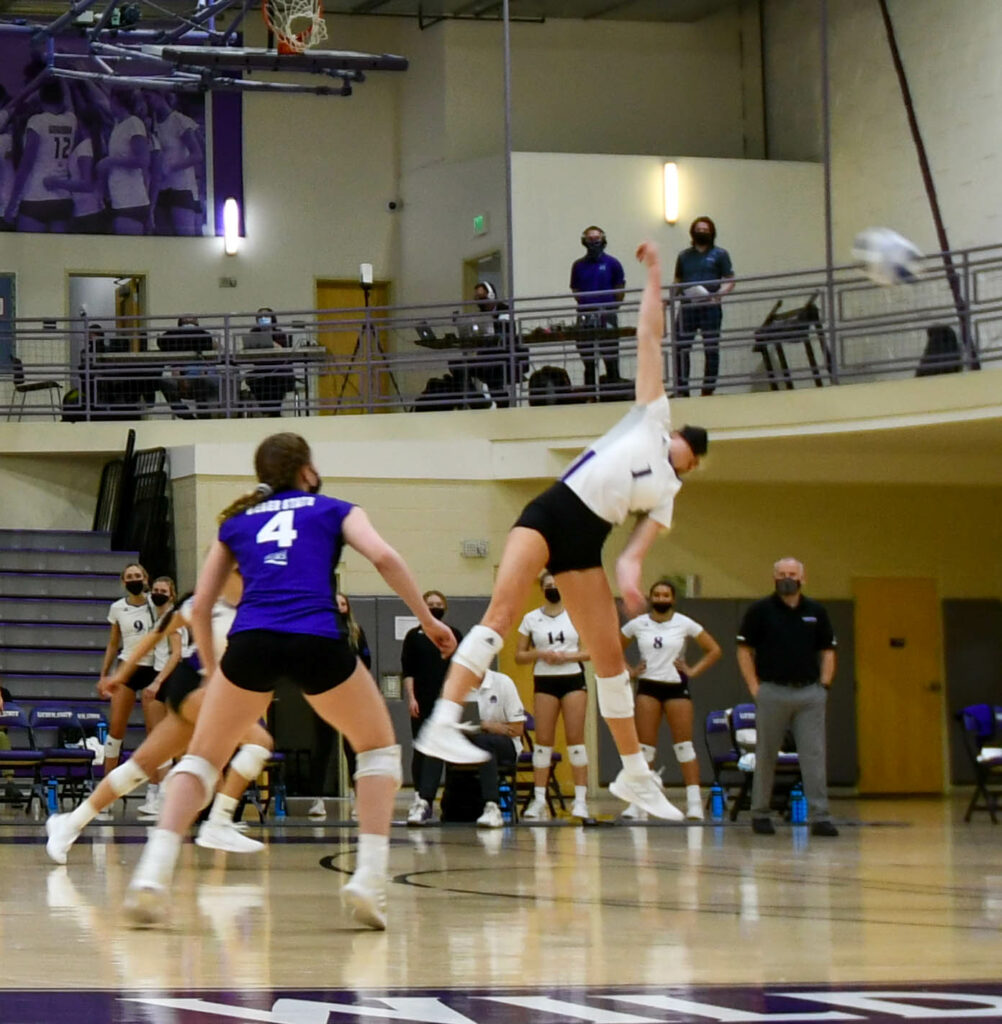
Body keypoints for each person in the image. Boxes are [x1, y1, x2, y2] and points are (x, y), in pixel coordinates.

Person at [416, 241, 707, 823]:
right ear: (677, 437)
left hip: (585, 543)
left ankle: (634, 775)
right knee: (499, 617)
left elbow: (632, 557)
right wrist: (653, 274)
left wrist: (629, 584)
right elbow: (649, 337)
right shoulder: (653, 417)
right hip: (552, 512)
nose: (678, 460)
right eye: (681, 451)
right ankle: (443, 723)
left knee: (606, 657)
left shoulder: (669, 494)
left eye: (687, 462)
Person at [122, 432, 455, 929]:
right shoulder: (335, 508)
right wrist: (427, 622)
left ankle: (151, 873)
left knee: (202, 760)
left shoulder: (235, 522)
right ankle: (367, 877)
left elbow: (206, 595)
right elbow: (384, 557)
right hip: (317, 638)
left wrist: (214, 669)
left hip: (252, 642)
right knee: (378, 750)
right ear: (306, 470)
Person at [46, 565, 275, 862]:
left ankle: (68, 824)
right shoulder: (200, 603)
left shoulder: (257, 608)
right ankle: (219, 819)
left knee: (139, 767)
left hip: (214, 693)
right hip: (191, 686)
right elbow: (154, 636)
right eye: (240, 573)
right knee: (259, 742)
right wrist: (120, 675)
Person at [736, 557, 839, 837]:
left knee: (814, 756)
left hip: (809, 693)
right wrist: (755, 687)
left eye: (792, 574)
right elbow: (744, 651)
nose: (787, 577)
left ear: (802, 578)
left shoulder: (816, 611)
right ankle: (760, 813)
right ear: (774, 578)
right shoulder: (760, 611)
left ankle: (820, 816)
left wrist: (824, 686)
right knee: (766, 754)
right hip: (772, 691)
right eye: (781, 574)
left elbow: (828, 650)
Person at [620, 578, 721, 821]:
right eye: (657, 595)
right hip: (648, 688)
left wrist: (692, 670)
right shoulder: (638, 624)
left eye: (666, 595)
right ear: (650, 597)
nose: (662, 599)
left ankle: (694, 804)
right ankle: (639, 804)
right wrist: (630, 671)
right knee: (644, 750)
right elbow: (613, 647)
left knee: (684, 747)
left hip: (676, 688)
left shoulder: (684, 623)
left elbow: (714, 649)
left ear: (673, 599)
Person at [515, 572, 591, 820]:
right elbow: (519, 655)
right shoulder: (531, 618)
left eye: (556, 585)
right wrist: (541, 653)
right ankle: (539, 800)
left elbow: (591, 651)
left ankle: (580, 801)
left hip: (572, 678)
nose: (553, 588)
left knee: (575, 739)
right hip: (545, 679)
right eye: (548, 585)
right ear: (542, 589)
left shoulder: (577, 613)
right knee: (544, 740)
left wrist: (568, 656)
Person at [308, 591, 371, 820]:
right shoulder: (319, 630)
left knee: (353, 750)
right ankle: (317, 800)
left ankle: (358, 800)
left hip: (350, 698)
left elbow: (366, 663)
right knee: (323, 749)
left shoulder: (355, 632)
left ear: (348, 607)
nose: (340, 606)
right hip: (325, 695)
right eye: (336, 603)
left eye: (343, 603)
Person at [403, 591, 463, 825]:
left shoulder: (454, 634)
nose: (435, 607)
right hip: (422, 699)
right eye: (431, 604)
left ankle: (450, 797)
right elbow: (408, 671)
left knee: (448, 748)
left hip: (448, 700)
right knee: (422, 748)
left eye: (439, 604)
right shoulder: (413, 636)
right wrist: (411, 698)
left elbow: (461, 669)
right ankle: (420, 796)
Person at [99, 563, 159, 786]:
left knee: (155, 732)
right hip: (126, 668)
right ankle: (106, 788)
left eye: (138, 576)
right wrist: (105, 673)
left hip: (153, 668)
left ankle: (155, 789)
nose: (134, 579)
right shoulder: (117, 608)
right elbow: (114, 644)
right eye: (130, 576)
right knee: (116, 730)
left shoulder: (156, 603)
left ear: (146, 579)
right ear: (123, 582)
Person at [135, 575, 183, 819]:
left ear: (171, 594)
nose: (157, 593)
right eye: (154, 589)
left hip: (171, 679)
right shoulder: (157, 618)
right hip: (158, 674)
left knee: (166, 740)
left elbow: (176, 654)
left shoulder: (174, 617)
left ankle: (166, 795)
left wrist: (157, 681)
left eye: (162, 590)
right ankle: (155, 791)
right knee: (154, 736)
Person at [673, 216, 735, 397]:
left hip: (710, 306)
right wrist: (670, 298)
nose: (702, 233)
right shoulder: (684, 256)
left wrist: (719, 295)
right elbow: (677, 281)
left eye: (705, 230)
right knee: (681, 348)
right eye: (698, 230)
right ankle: (682, 390)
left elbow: (730, 280)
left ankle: (708, 390)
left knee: (711, 348)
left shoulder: (720, 254)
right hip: (688, 307)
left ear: (712, 233)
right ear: (693, 232)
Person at [5, 79, 77, 232]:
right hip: (62, 198)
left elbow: (26, 164)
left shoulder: (37, 121)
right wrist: (62, 77)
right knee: (58, 254)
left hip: (36, 197)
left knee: (31, 253)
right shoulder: (71, 120)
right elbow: (69, 101)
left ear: (41, 97)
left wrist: (12, 203)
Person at [462, 668, 526, 828]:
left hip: (505, 745)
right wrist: (487, 725)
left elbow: (517, 729)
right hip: (469, 742)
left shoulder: (503, 682)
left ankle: (492, 805)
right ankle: (423, 801)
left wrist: (483, 727)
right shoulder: (458, 684)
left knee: (484, 743)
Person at [570, 225, 626, 389]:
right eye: (590, 239)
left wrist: (612, 307)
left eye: (597, 238)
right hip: (585, 315)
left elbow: (619, 288)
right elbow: (575, 290)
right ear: (584, 241)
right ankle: (590, 396)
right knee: (588, 360)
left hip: (607, 314)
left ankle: (612, 393)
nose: (594, 242)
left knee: (611, 357)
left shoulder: (613, 263)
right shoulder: (578, 265)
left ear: (603, 240)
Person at [156, 315, 218, 419]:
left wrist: (212, 344)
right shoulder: (172, 340)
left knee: (202, 381)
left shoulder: (205, 339)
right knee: (164, 382)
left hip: (202, 379)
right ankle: (187, 417)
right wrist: (180, 377)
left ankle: (204, 418)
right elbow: (171, 367)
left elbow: (217, 353)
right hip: (182, 379)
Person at [245, 307, 295, 416]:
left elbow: (282, 351)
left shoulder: (279, 334)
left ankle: (274, 412)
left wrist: (269, 340)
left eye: (266, 316)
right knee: (253, 378)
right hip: (262, 370)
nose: (263, 319)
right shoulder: (254, 333)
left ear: (272, 318)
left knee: (275, 379)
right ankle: (267, 411)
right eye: (260, 317)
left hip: (279, 370)